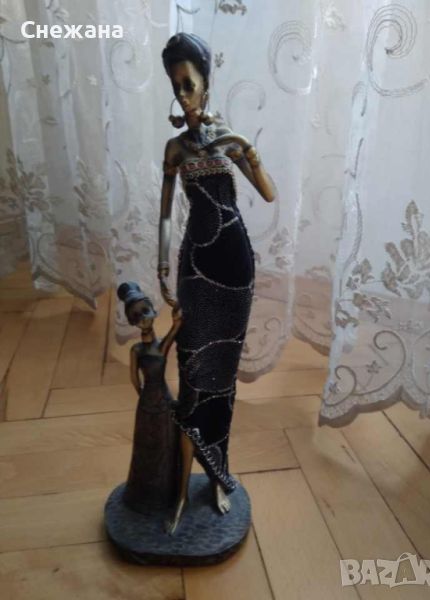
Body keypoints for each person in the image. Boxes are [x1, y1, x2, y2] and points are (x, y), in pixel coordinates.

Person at [158, 33, 275, 534]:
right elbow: (167, 216)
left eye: (189, 84)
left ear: (207, 84)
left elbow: (268, 194)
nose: (183, 96)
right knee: (191, 377)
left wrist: (246, 148)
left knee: (223, 380)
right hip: (195, 267)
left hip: (234, 266)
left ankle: (219, 474)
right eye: (176, 87)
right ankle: (182, 488)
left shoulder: (230, 139)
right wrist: (161, 270)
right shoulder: (174, 149)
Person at [117, 281, 182, 516]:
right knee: (146, 448)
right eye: (136, 316)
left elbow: (175, 329)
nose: (143, 319)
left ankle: (167, 492)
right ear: (132, 321)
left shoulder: (160, 346)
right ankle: (145, 494)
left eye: (145, 311)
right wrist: (144, 398)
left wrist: (178, 314)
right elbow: (134, 379)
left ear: (154, 310)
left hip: (162, 402)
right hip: (149, 405)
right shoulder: (137, 350)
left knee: (166, 444)